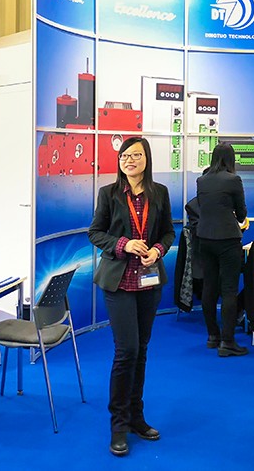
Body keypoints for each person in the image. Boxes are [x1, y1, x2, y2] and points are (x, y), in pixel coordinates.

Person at [88, 137, 175, 457]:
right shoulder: (109, 194)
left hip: (149, 283)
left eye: (136, 155)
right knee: (127, 351)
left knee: (141, 351)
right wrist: (124, 244)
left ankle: (137, 417)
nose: (129, 160)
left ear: (146, 159)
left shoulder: (159, 193)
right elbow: (95, 233)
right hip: (119, 283)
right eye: (125, 155)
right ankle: (119, 424)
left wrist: (158, 249)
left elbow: (169, 232)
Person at [196, 142, 249, 357]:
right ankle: (227, 341)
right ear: (231, 159)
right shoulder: (233, 180)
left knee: (209, 287)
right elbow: (242, 213)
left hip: (204, 238)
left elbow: (202, 207)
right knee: (229, 290)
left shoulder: (202, 180)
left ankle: (212, 336)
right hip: (227, 239)